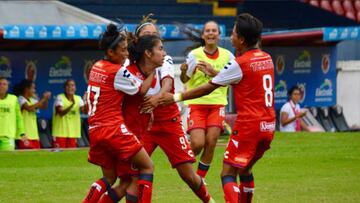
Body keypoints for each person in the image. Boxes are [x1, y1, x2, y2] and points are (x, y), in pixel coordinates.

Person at [152, 13, 276, 203]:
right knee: (245, 169)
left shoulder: (237, 61)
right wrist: (213, 72)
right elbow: (245, 79)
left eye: (233, 33)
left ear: (241, 39)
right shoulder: (266, 58)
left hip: (248, 126)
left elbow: (212, 86)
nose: (231, 36)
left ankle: (200, 177)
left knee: (227, 174)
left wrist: (175, 97)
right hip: (268, 127)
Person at [118, 14, 214, 203]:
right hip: (143, 123)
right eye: (149, 35)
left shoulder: (165, 59)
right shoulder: (128, 65)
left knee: (188, 174)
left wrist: (159, 97)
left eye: (156, 35)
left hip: (168, 120)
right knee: (134, 175)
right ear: (140, 42)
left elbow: (168, 82)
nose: (155, 38)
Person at [82, 24, 155, 203]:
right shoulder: (118, 71)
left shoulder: (97, 66)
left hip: (94, 130)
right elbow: (142, 90)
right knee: (147, 166)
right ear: (111, 52)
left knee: (109, 178)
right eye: (122, 50)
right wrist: (154, 68)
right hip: (113, 129)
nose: (126, 54)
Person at [180, 20, 235, 180]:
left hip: (217, 104)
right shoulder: (194, 55)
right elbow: (184, 80)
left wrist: (213, 72)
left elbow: (233, 79)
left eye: (214, 31)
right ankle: (182, 162)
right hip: (196, 104)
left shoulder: (228, 55)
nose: (211, 33)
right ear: (203, 35)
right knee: (198, 144)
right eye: (208, 31)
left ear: (219, 35)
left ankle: (200, 179)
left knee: (211, 141)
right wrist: (184, 71)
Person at [14, 79, 51, 149]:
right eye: (33, 88)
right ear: (26, 89)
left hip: (34, 135)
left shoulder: (32, 100)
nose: (34, 91)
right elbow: (29, 108)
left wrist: (46, 99)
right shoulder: (20, 99)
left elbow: (44, 107)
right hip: (24, 136)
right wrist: (43, 99)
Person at [52, 79, 86, 148]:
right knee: (58, 157)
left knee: (70, 156)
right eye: (68, 85)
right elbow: (61, 113)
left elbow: (85, 111)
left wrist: (86, 101)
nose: (70, 87)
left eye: (72, 85)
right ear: (64, 88)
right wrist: (71, 105)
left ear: (75, 88)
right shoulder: (60, 97)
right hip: (60, 133)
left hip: (73, 133)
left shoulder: (78, 98)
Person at [0, 77, 26, 151]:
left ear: (7, 87)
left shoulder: (13, 99)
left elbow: (19, 117)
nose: (2, 86)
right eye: (0, 84)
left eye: (4, 84)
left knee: (7, 160)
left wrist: (22, 132)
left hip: (8, 136)